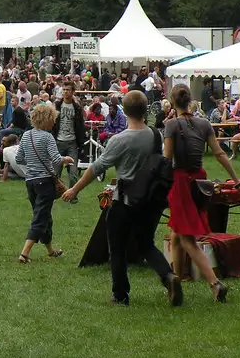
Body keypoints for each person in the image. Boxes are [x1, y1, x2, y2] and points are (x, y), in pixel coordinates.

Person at [61, 90, 183, 307]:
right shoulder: (155, 135)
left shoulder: (120, 140)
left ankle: (120, 295)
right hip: (151, 199)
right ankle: (168, 276)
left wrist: (75, 189)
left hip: (125, 199)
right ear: (145, 110)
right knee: (146, 243)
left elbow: (97, 167)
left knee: (116, 247)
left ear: (123, 111)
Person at [163, 84, 238, 301]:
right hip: (199, 181)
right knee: (177, 234)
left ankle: (214, 283)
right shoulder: (204, 123)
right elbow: (220, 154)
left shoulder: (171, 125)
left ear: (172, 101)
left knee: (187, 239)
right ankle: (176, 283)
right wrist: (237, 182)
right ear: (190, 101)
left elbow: (167, 160)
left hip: (180, 182)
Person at [14, 103, 71, 263]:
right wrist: (65, 159)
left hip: (30, 182)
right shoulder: (47, 137)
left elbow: (19, 159)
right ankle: (24, 254)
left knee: (44, 216)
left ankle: (50, 250)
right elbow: (56, 159)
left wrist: (32, 163)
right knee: (40, 217)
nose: (54, 122)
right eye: (53, 119)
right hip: (45, 182)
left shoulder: (26, 135)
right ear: (47, 119)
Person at [53, 81, 85, 189]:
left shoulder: (77, 108)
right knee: (56, 172)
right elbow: (52, 123)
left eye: (68, 90)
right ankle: (54, 194)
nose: (65, 92)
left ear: (73, 92)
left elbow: (80, 126)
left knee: (73, 173)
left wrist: (81, 144)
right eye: (64, 90)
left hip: (72, 142)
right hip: (58, 141)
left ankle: (73, 195)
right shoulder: (57, 105)